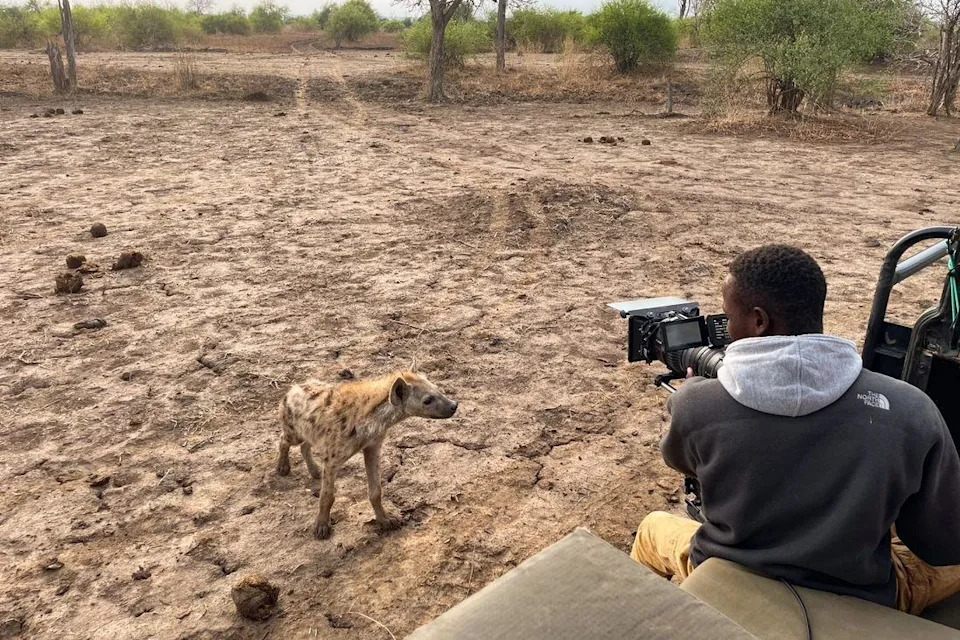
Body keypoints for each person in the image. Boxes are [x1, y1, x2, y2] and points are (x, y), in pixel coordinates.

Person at [630, 244, 960, 614]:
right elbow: (942, 546)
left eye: (727, 318)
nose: (726, 331)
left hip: (728, 570)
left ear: (758, 321)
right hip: (861, 593)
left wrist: (694, 401)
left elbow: (681, 461)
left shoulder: (696, 405)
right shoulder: (912, 410)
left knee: (653, 529)